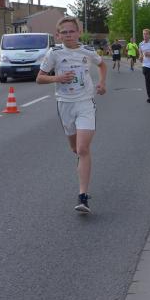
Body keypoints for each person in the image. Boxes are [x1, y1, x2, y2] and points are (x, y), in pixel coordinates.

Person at [36, 16, 107, 214]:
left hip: (85, 103)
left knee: (83, 148)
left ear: (79, 33)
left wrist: (102, 83)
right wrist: (57, 78)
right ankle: (81, 159)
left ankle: (83, 196)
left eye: (71, 31)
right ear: (58, 35)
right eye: (64, 32)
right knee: (75, 148)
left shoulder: (88, 51)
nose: (68, 35)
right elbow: (39, 78)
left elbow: (102, 65)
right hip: (65, 104)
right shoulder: (54, 53)